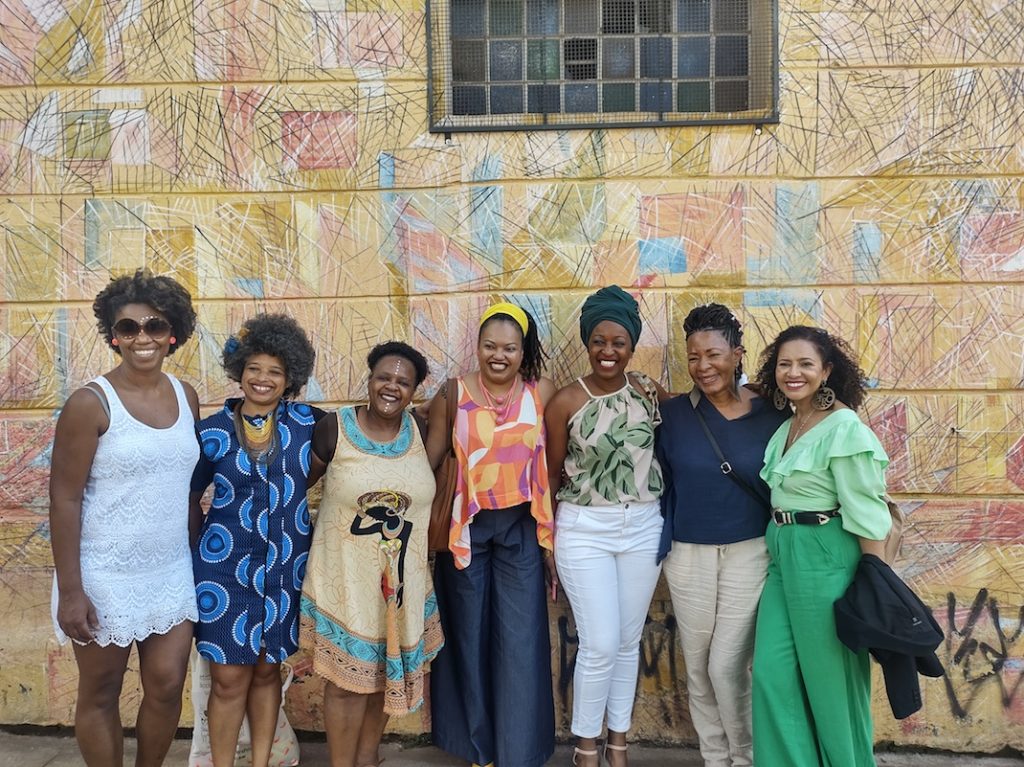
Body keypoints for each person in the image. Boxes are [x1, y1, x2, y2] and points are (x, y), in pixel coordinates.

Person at [49, 269, 200, 766]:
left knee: (166, 685)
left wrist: (199, 566)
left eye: (155, 326)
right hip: (103, 574)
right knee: (101, 690)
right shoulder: (89, 403)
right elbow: (64, 499)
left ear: (172, 332)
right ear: (113, 335)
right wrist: (72, 590)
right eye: (128, 328)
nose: (142, 337)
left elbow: (188, 489)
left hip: (171, 570)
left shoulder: (187, 397)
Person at [751, 325, 892, 767]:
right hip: (782, 555)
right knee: (772, 676)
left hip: (825, 555)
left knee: (832, 686)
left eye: (806, 364)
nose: (794, 373)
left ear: (827, 370)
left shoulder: (844, 428)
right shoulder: (792, 423)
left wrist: (874, 585)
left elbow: (869, 512)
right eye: (784, 364)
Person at [299, 341, 444, 767]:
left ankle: (367, 760)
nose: (391, 387)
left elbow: (459, 396)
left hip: (401, 585)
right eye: (384, 377)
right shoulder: (334, 428)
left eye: (404, 381)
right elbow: (293, 492)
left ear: (415, 390)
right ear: (369, 379)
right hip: (344, 581)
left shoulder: (420, 431)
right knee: (345, 685)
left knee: (384, 676)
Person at [654, 304, 787, 767]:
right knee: (698, 667)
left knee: (726, 665)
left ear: (737, 353)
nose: (703, 366)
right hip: (688, 552)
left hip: (751, 551)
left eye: (713, 354)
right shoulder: (671, 415)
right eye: (693, 357)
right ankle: (715, 758)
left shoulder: (773, 414)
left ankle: (746, 756)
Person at [427, 302, 557, 767]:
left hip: (521, 527)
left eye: (509, 348)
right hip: (467, 529)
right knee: (469, 635)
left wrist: (550, 542)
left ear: (524, 351)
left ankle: (518, 751)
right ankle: (477, 749)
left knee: (520, 641)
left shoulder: (540, 391)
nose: (498, 356)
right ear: (477, 348)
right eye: (489, 346)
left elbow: (552, 465)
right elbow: (432, 454)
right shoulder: (453, 392)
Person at [190, 313, 323, 767]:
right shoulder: (210, 432)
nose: (262, 379)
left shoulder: (311, 425)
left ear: (290, 379)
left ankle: (262, 763)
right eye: (254, 368)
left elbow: (363, 436)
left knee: (267, 674)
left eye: (275, 371)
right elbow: (189, 497)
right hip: (223, 571)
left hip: (285, 569)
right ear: (239, 370)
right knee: (228, 680)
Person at [544, 285, 669, 767]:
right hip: (584, 528)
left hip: (642, 526)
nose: (609, 351)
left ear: (631, 345)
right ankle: (585, 747)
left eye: (619, 342)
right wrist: (547, 539)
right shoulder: (567, 401)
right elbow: (552, 474)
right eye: (599, 340)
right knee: (598, 642)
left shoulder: (646, 392)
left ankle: (618, 741)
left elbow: (702, 409)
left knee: (626, 640)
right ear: (587, 341)